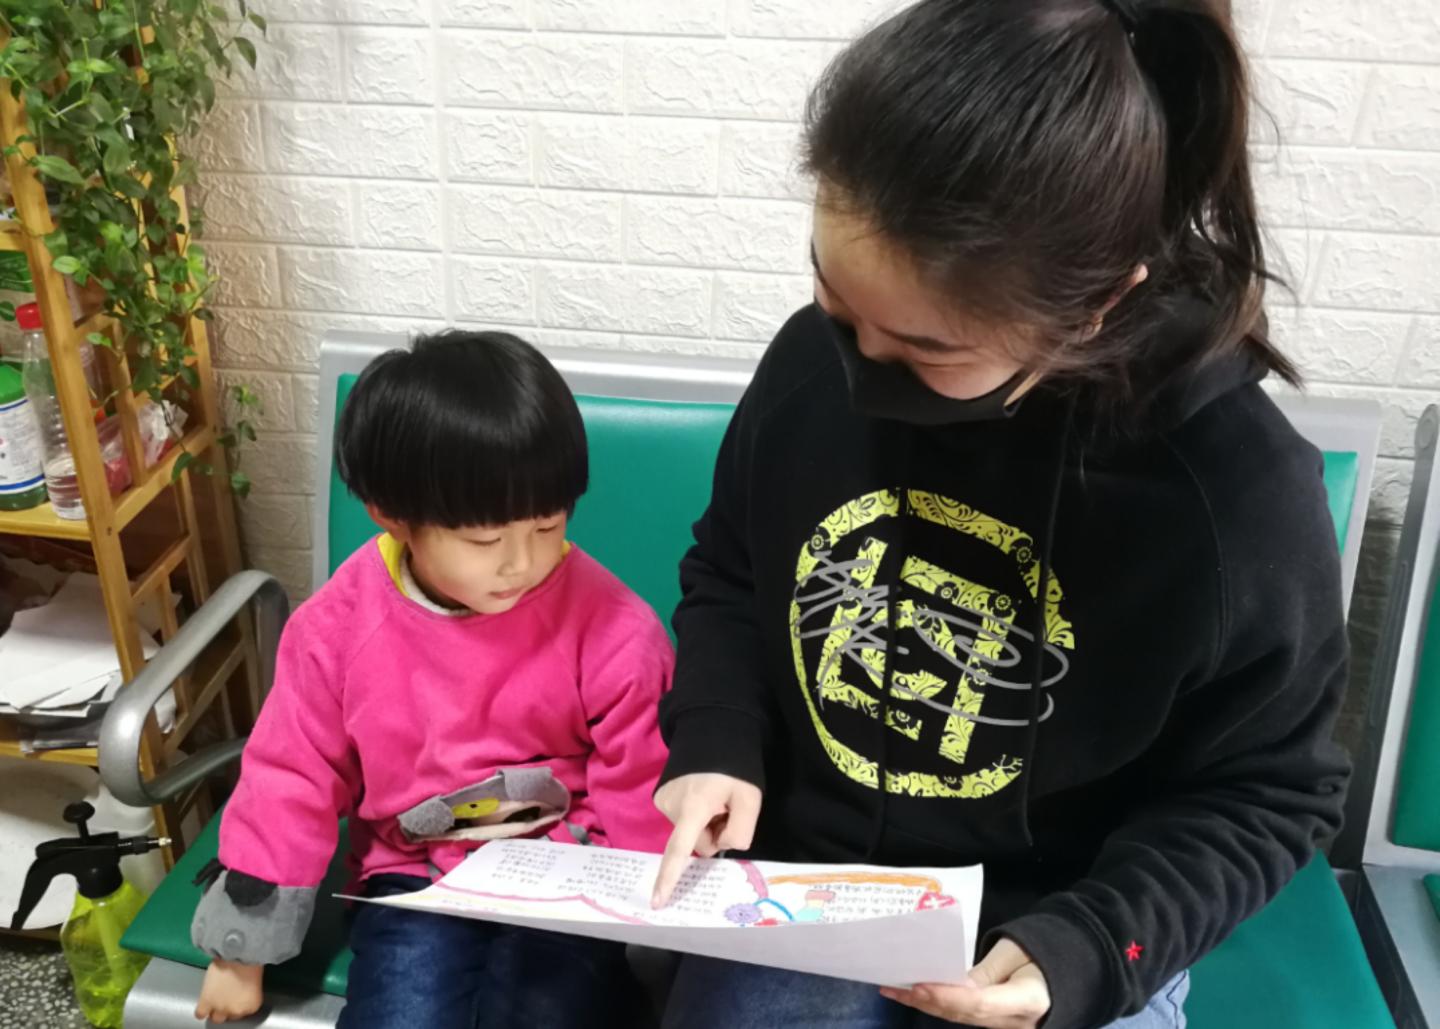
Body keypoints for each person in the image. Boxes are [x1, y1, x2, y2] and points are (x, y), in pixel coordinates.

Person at [651, 1, 1348, 1028]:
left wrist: (1092, 948)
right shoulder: (808, 368)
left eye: (928, 350)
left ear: (1097, 304)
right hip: (814, 888)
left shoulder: (1235, 499)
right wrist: (717, 737)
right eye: (837, 305)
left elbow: (1271, 790)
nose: (859, 369)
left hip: (1069, 919)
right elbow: (732, 571)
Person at [191, 330, 674, 1028]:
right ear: (393, 517)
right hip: (412, 874)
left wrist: (659, 925)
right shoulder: (336, 630)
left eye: (547, 526)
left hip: (569, 867)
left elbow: (643, 783)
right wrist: (242, 953)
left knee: (551, 1010)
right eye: (485, 540)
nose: (520, 562)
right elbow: (291, 777)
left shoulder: (615, 628)